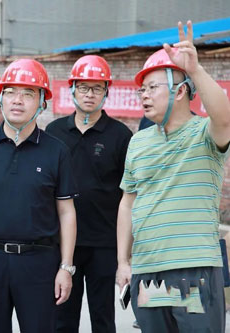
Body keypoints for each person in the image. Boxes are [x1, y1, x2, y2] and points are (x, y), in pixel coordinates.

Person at [116, 21, 230, 332]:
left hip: (194, 273)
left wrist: (195, 70)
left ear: (180, 92)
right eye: (142, 89)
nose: (144, 96)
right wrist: (124, 262)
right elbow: (127, 203)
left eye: (152, 88)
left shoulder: (204, 134)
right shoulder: (138, 142)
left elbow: (225, 116)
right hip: (150, 273)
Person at [0, 58, 78, 333]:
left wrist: (66, 267)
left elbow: (66, 211)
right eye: (10, 92)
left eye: (28, 93)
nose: (17, 100)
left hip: (39, 261)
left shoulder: (57, 151)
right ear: (1, 99)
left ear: (42, 102)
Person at [46, 55, 132, 333]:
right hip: (62, 241)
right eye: (83, 87)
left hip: (104, 243)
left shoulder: (120, 136)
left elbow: (128, 195)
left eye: (97, 88)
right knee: (62, 316)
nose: (89, 94)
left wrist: (124, 256)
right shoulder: (54, 131)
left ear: (107, 92)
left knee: (103, 317)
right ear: (72, 89)